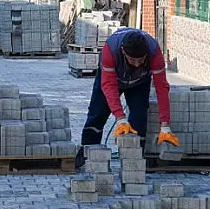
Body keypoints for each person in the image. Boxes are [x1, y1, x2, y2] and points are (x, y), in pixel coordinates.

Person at [76, 28, 177, 168]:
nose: (137, 64)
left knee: (139, 115)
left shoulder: (154, 53)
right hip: (111, 79)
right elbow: (109, 86)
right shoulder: (110, 50)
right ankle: (88, 154)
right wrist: (120, 118)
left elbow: (162, 88)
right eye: (132, 60)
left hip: (140, 82)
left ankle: (135, 160)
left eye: (141, 60)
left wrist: (165, 124)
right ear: (123, 51)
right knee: (97, 114)